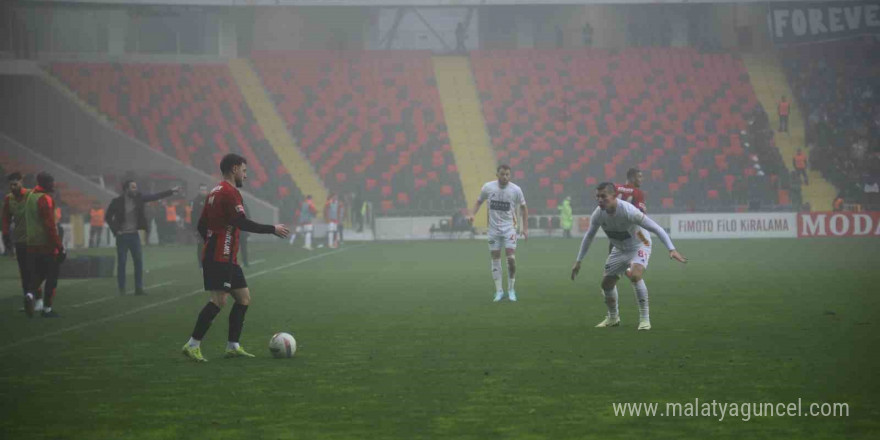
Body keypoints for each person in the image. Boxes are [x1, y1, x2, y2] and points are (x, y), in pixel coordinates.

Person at [181, 154, 289, 362]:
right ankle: (193, 344)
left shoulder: (214, 191)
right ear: (234, 169)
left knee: (243, 299)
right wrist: (272, 229)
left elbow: (202, 225)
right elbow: (241, 222)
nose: (245, 176)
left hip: (225, 256)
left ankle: (233, 346)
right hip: (219, 257)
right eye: (244, 171)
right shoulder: (230, 193)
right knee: (218, 301)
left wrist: (214, 239)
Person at [571, 182, 687, 331]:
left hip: (640, 243)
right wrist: (579, 261)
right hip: (619, 249)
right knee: (606, 284)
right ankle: (613, 318)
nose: (600, 200)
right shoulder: (598, 214)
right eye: (597, 196)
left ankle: (645, 319)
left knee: (635, 275)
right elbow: (589, 236)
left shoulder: (628, 211)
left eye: (603, 196)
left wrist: (671, 249)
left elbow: (656, 228)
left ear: (614, 196)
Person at [105, 180, 180, 295]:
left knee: (138, 261)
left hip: (134, 235)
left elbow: (154, 196)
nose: (136, 189)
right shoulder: (117, 202)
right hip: (122, 237)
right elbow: (108, 217)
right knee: (122, 262)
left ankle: (138, 289)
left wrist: (171, 191)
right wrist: (116, 230)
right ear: (126, 189)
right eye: (133, 187)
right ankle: (121, 288)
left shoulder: (138, 198)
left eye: (136, 187)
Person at [469, 164, 528, 302]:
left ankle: (511, 290)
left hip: (509, 229)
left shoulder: (516, 190)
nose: (505, 177)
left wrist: (525, 228)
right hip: (493, 230)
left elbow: (524, 208)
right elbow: (478, 201)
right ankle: (499, 291)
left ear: (510, 175)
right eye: (502, 174)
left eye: (507, 174)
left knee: (511, 259)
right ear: (497, 174)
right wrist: (472, 214)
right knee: (495, 259)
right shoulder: (488, 187)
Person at [23, 172, 65, 318]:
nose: (54, 185)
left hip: (31, 243)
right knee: (52, 276)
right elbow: (50, 225)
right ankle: (47, 309)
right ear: (46, 183)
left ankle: (29, 294)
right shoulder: (45, 199)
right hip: (46, 244)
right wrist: (59, 246)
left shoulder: (30, 197)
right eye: (52, 182)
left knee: (39, 274)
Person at [3, 172, 36, 302]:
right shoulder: (8, 199)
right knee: (24, 270)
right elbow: (5, 219)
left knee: (33, 269)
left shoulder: (30, 195)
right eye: (11, 185)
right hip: (20, 240)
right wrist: (6, 235)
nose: (13, 187)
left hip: (34, 239)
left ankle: (36, 297)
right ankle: (27, 297)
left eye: (15, 184)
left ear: (21, 182)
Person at [191, 184, 209, 267]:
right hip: (200, 227)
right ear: (199, 190)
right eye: (202, 190)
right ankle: (200, 263)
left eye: (204, 190)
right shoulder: (195, 201)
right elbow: (193, 216)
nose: (203, 191)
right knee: (201, 245)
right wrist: (194, 229)